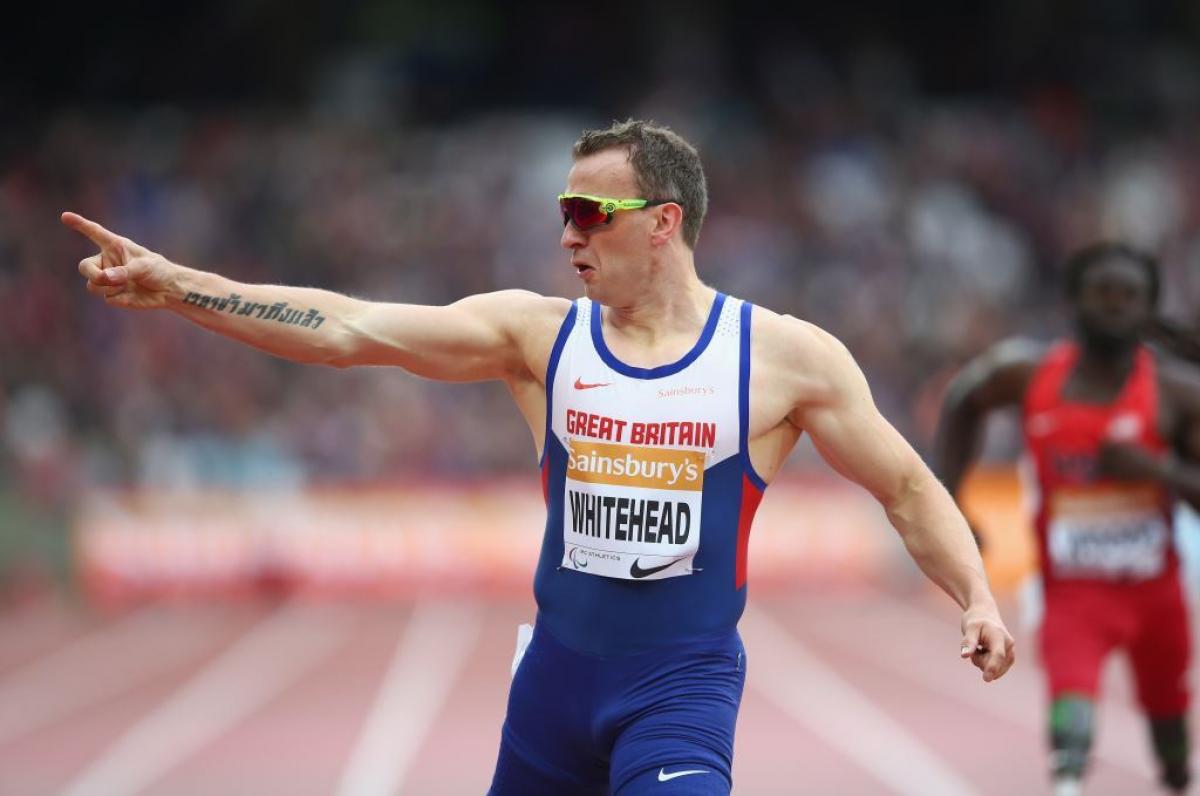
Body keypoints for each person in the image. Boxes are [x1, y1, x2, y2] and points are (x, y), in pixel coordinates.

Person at [66, 119, 1014, 795]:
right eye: (563, 212)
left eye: (589, 212)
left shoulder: (781, 359)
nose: (567, 234)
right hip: (553, 687)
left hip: (679, 687)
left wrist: (973, 594)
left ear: (663, 221)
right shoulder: (537, 336)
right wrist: (179, 286)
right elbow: (348, 328)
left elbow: (905, 487)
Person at [936, 242, 1200, 796]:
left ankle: (1176, 775)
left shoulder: (1176, 393)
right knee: (1070, 728)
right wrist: (952, 498)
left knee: (1170, 728)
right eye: (1102, 292)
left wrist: (1156, 468)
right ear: (1075, 300)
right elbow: (963, 399)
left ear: (1148, 307)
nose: (1115, 305)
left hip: (1157, 594)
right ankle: (1067, 780)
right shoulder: (1028, 373)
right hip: (1073, 593)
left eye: (1129, 295)